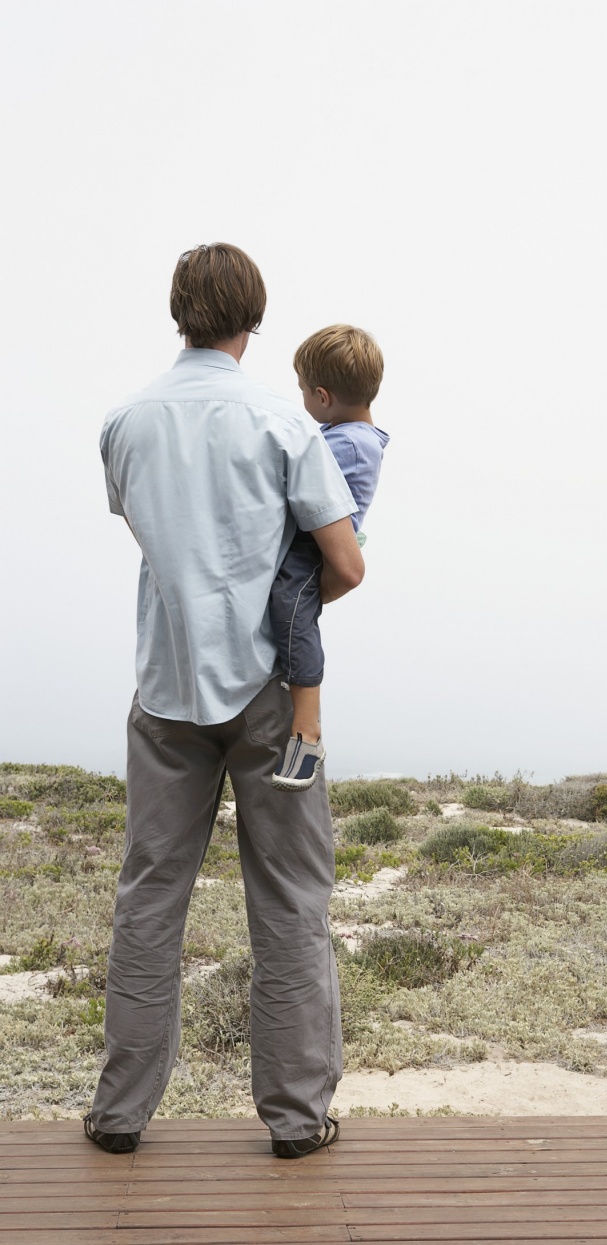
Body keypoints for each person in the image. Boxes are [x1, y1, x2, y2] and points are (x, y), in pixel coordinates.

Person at [83, 243, 363, 1159]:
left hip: (165, 688)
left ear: (178, 312)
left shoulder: (125, 422)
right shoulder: (284, 423)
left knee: (150, 895)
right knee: (288, 900)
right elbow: (345, 561)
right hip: (272, 696)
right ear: (256, 314)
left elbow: (151, 535)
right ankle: (295, 1117)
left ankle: (119, 1113)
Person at [270, 324, 388, 791]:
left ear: (322, 395)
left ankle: (306, 729)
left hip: (313, 544)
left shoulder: (349, 443)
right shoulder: (346, 433)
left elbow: (301, 483)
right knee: (287, 611)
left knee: (293, 609)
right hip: (311, 535)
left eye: (301, 390)